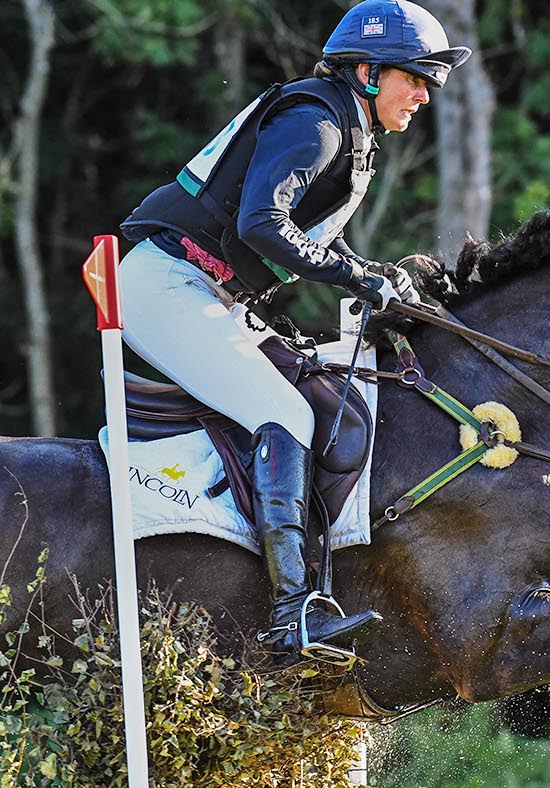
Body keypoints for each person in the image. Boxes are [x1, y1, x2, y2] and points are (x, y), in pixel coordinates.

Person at [116, 0, 470, 665]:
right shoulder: (316, 124)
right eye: (415, 77)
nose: (425, 95)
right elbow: (260, 225)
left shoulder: (344, 128)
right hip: (167, 282)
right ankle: (288, 618)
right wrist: (358, 275)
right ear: (366, 72)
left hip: (213, 290)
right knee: (282, 412)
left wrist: (371, 277)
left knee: (324, 394)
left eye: (429, 82)